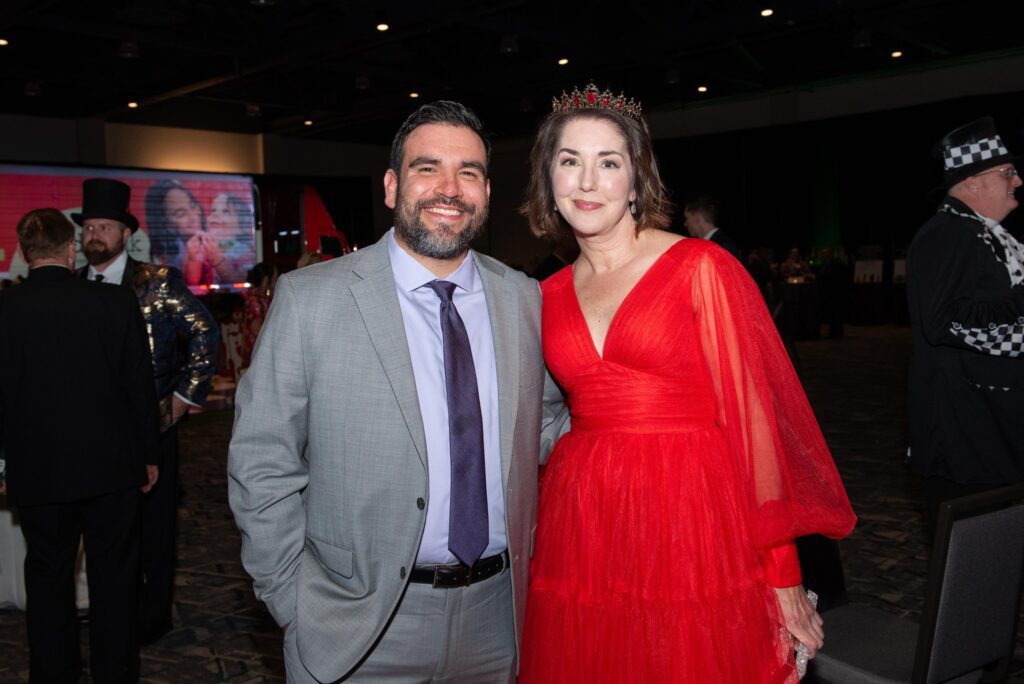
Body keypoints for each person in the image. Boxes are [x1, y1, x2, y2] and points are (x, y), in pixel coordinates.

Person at [518, 83, 856, 682]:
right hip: (587, 521)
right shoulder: (542, 296)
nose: (588, 182)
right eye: (569, 162)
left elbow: (756, 428)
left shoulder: (701, 267)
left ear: (636, 179)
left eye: (609, 163)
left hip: (691, 515)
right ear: (548, 179)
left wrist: (783, 575)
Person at [228, 100, 568, 683]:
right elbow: (262, 462)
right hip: (356, 627)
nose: (449, 188)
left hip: (498, 621)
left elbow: (545, 428)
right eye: (426, 167)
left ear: (486, 191)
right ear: (391, 186)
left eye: (469, 172)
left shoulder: (524, 299)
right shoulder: (313, 299)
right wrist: (294, 602)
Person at [0, 208, 159, 682]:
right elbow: (138, 385)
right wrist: (149, 455)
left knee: (47, 579)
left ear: (26, 254)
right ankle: (115, 674)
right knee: (115, 581)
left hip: (38, 471)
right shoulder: (112, 303)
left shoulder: (6, 310)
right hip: (110, 469)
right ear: (70, 249)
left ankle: (53, 675)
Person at [75, 177, 219, 645]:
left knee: (154, 528)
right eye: (88, 227)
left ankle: (151, 616)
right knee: (102, 530)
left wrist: (183, 397)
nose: (94, 234)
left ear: (124, 234)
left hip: (152, 425)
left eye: (104, 226)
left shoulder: (154, 282)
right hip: (93, 434)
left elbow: (204, 332)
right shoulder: (75, 287)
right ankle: (108, 613)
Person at [906, 116, 1024, 532]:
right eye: (1007, 173)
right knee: (975, 574)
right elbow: (946, 322)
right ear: (973, 182)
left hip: (992, 429)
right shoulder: (949, 234)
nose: (1018, 181)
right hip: (969, 438)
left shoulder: (981, 234)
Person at [145, 179, 222, 286]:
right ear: (166, 224)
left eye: (193, 206)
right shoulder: (165, 261)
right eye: (181, 214)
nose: (193, 217)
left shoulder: (217, 238)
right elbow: (189, 289)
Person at [207, 191, 255, 284]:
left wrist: (217, 258)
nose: (215, 214)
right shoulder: (202, 246)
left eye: (226, 211)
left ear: (241, 227)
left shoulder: (244, 252)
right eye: (213, 210)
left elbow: (239, 279)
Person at [240, 261, 276, 369]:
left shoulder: (258, 298)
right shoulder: (255, 300)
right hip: (257, 354)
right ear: (266, 280)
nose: (276, 281)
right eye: (274, 278)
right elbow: (256, 328)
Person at [683, 194, 740, 259]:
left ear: (697, 217)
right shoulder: (719, 242)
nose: (685, 224)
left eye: (687, 218)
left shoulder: (722, 245)